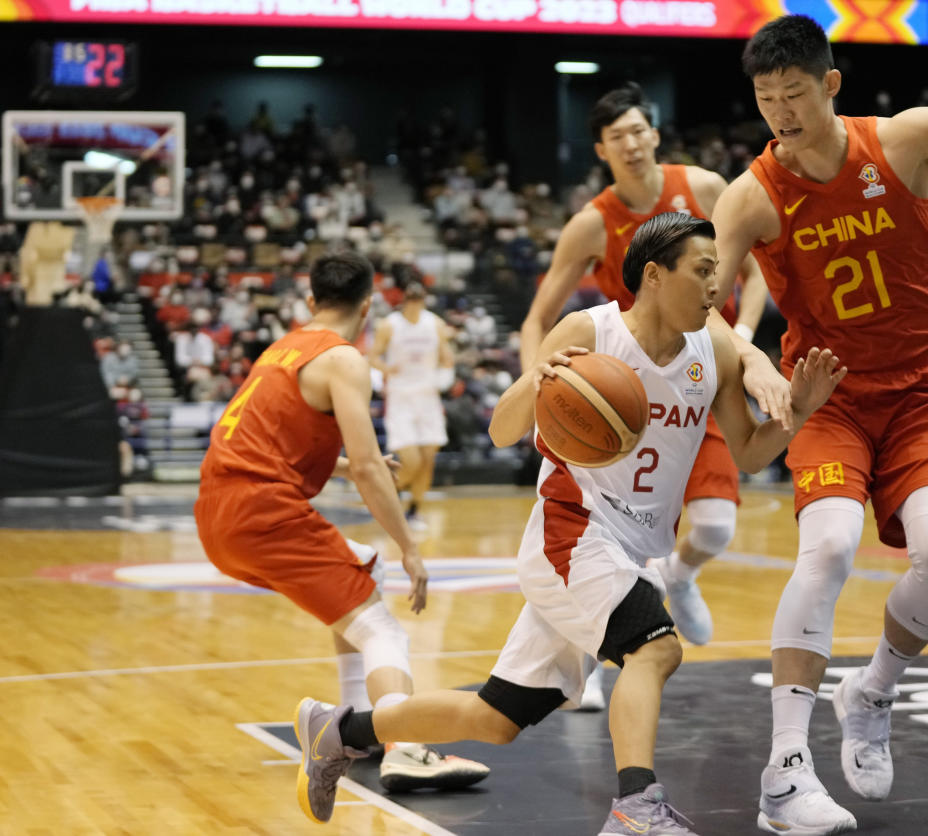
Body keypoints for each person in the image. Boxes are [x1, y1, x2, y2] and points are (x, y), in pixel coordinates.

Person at [293, 214, 845, 833]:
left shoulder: (712, 351)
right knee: (656, 649)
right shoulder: (592, 331)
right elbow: (504, 430)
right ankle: (636, 806)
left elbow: (746, 453)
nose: (718, 287)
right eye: (704, 270)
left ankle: (338, 731)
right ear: (655, 276)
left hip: (628, 551)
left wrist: (797, 410)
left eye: (719, 272)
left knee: (497, 718)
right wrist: (539, 377)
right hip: (572, 531)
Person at [710, 6, 928, 833]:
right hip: (827, 398)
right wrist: (753, 356)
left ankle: (871, 693)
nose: (782, 114)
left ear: (830, 83)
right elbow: (698, 305)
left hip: (920, 395)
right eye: (766, 100)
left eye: (795, 93)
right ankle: (784, 772)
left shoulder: (902, 141)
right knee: (827, 547)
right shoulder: (751, 197)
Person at [519, 84, 784, 709]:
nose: (632, 144)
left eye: (640, 131)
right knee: (603, 535)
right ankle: (595, 659)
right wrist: (543, 378)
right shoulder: (592, 222)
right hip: (620, 399)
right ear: (602, 149)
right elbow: (538, 317)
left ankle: (681, 574)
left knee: (716, 528)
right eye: (619, 137)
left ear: (655, 135)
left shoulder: (705, 188)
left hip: (695, 375)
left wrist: (739, 343)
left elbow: (752, 274)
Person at [193, 252, 488, 803]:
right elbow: (374, 468)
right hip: (264, 513)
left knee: (360, 573)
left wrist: (350, 464)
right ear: (368, 307)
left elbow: (271, 437)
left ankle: (357, 730)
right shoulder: (344, 359)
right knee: (384, 632)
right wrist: (410, 547)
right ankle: (404, 747)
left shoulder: (282, 348)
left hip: (216, 514)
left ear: (311, 302)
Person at [367, 280, 455, 531]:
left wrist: (446, 366)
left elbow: (447, 356)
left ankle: (413, 511)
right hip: (401, 398)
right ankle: (386, 496)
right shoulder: (390, 325)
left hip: (428, 396)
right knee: (411, 461)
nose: (415, 303)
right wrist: (386, 368)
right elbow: (372, 357)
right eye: (412, 298)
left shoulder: (435, 324)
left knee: (428, 461)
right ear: (405, 300)